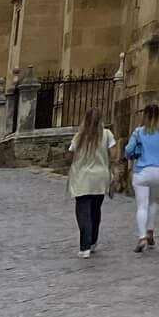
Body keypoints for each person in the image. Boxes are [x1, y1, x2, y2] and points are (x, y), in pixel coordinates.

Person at [123, 103, 159, 252]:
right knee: (153, 202)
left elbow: (128, 150)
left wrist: (129, 154)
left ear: (144, 115)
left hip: (142, 171)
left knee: (141, 205)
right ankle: (150, 231)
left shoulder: (139, 132)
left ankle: (141, 237)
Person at [66, 109, 118, 258]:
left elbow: (70, 156)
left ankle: (85, 246)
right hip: (101, 178)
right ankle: (93, 241)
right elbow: (114, 155)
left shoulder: (79, 137)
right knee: (95, 210)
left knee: (83, 212)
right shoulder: (107, 135)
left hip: (82, 178)